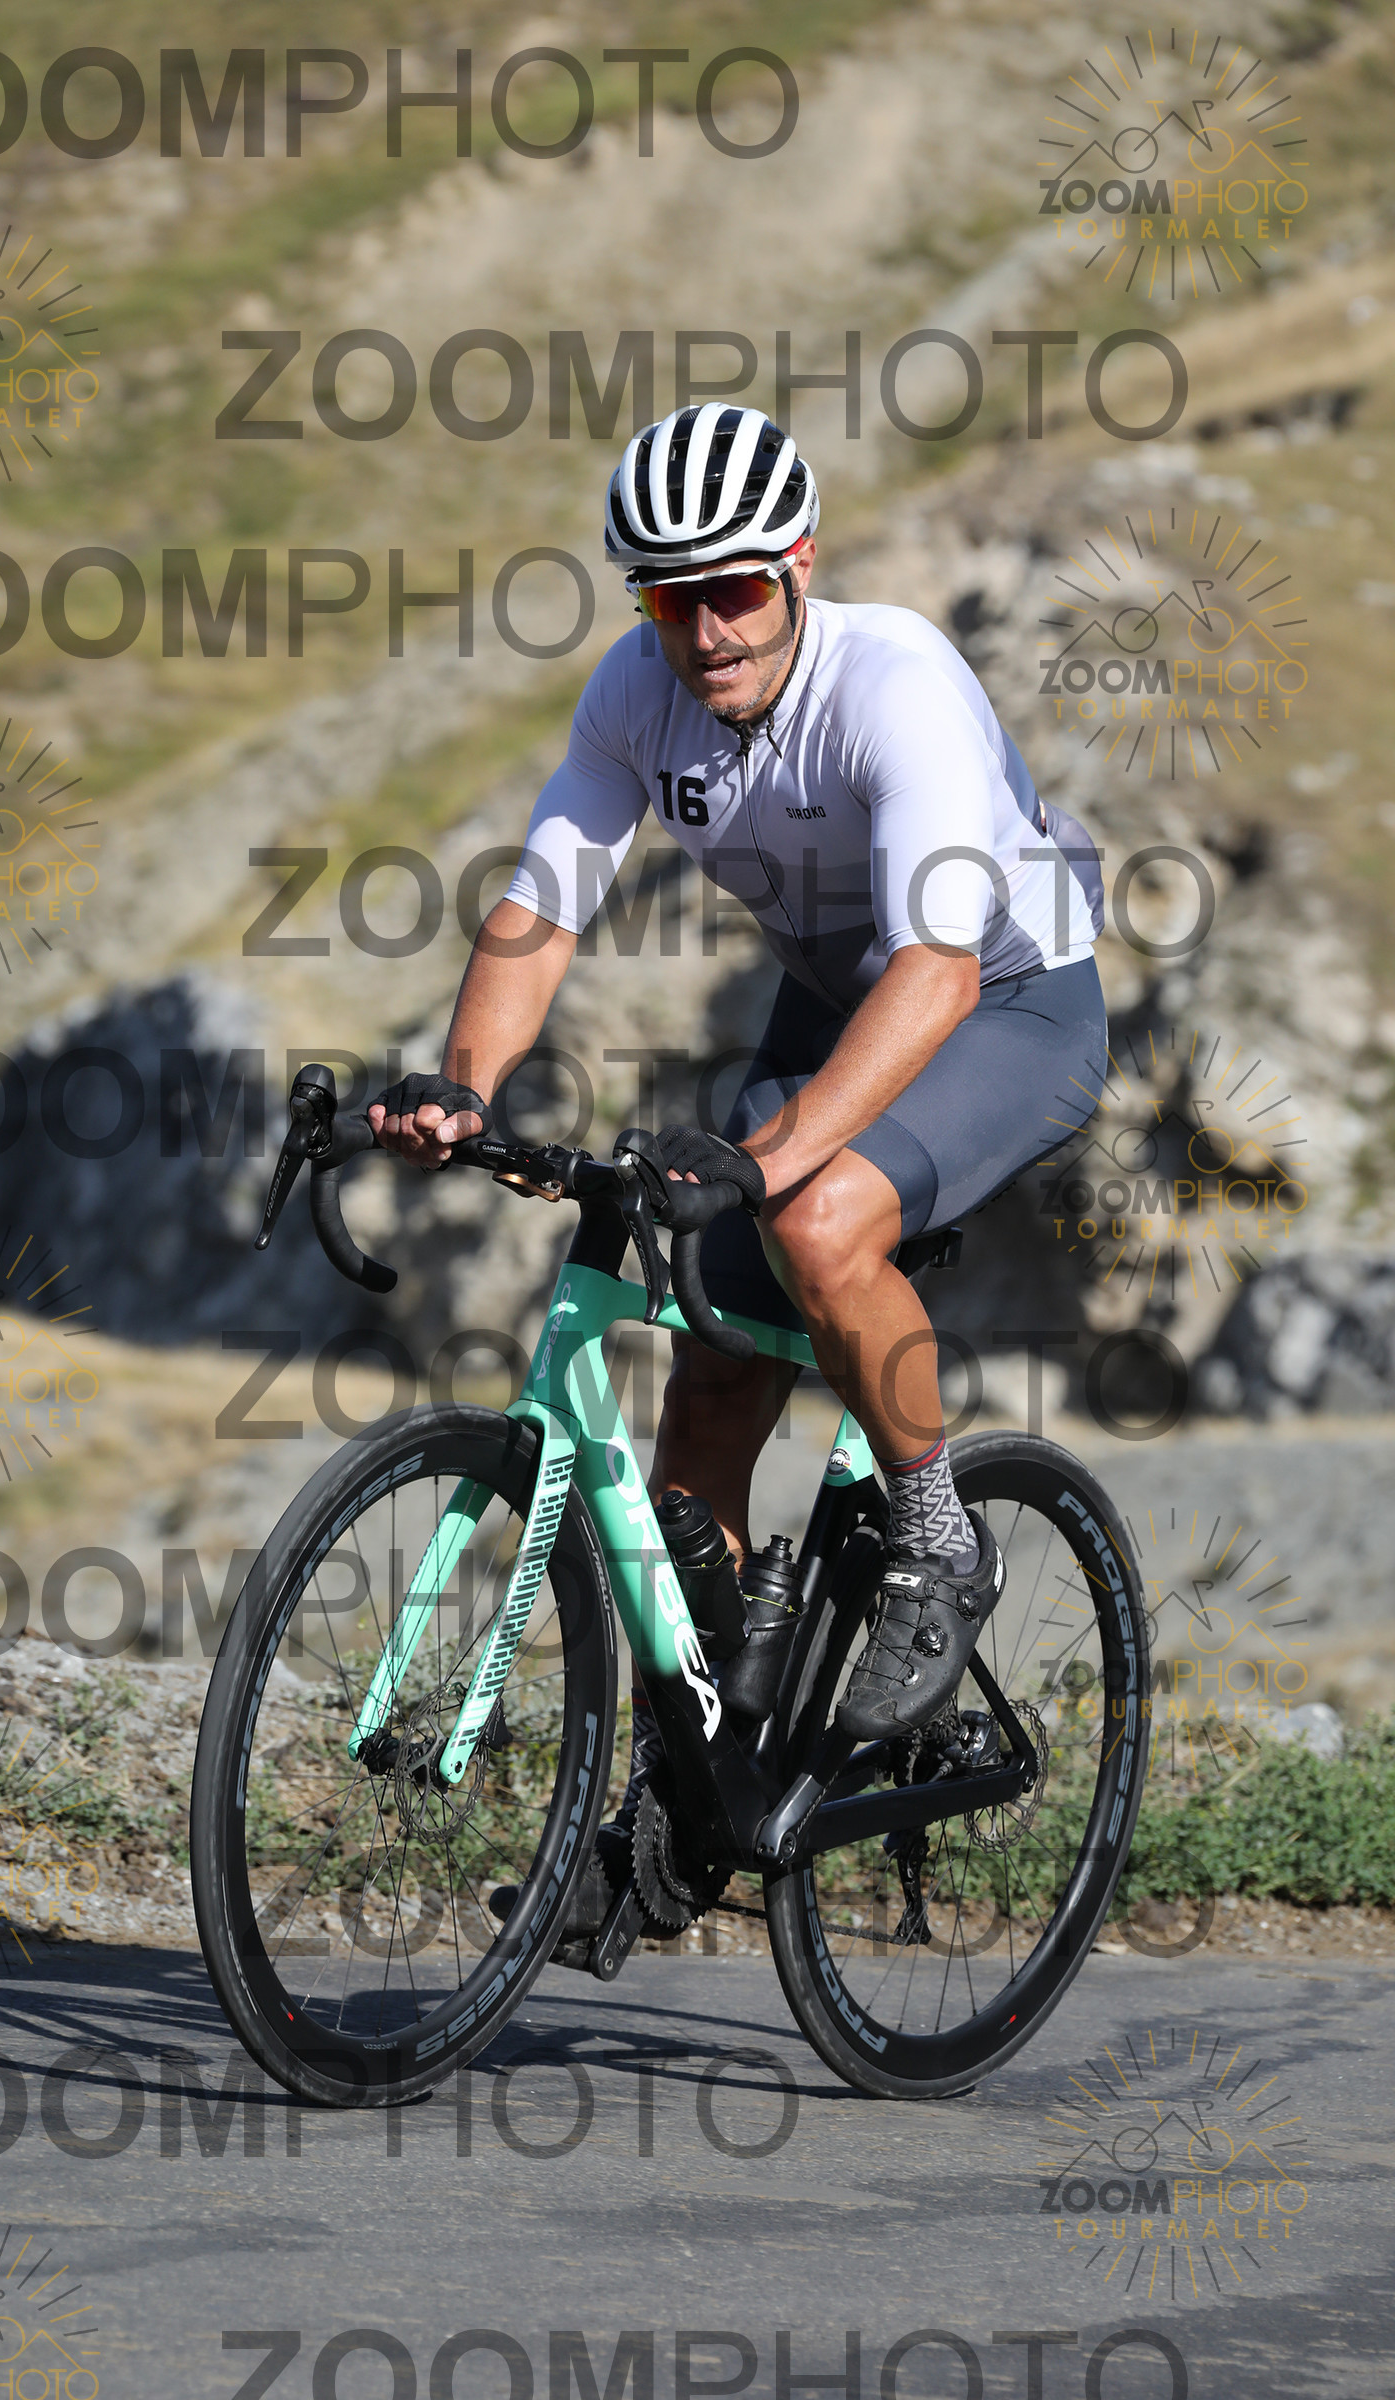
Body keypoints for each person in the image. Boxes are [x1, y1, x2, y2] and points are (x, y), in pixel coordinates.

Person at [371, 403, 1107, 1871]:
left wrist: (763, 1164)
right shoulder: (633, 695)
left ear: (800, 564)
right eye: (668, 599)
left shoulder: (895, 684)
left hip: (1007, 1003)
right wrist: (463, 1088)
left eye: (736, 590)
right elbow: (541, 914)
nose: (706, 632)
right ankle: (694, 1784)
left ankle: (938, 1541)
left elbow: (937, 975)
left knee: (817, 1224)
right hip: (835, 1009)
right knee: (708, 1366)